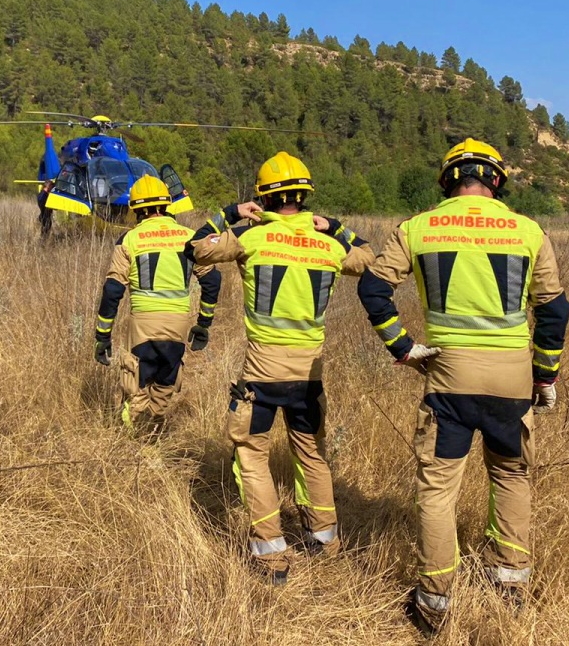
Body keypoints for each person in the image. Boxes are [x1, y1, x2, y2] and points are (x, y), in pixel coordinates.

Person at [357, 139, 569, 633]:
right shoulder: (528, 230)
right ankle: (511, 585)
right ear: (496, 180)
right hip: (512, 383)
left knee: (437, 491)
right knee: (513, 478)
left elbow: (373, 288)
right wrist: (545, 375)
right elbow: (554, 311)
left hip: (448, 382)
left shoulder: (417, 228)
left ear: (448, 181)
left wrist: (403, 348)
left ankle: (434, 600)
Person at [186, 152, 374, 585]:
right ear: (305, 197)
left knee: (252, 456)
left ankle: (272, 556)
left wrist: (231, 214)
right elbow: (367, 256)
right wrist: (334, 226)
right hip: (310, 375)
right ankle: (325, 540)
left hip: (262, 375)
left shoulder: (251, 239)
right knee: (311, 454)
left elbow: (197, 246)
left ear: (263, 199)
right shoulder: (329, 246)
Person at [95, 175, 222, 434]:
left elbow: (113, 290)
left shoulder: (129, 239)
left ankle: (132, 440)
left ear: (137, 209)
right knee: (166, 382)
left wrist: (103, 335)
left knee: (137, 384)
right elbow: (212, 280)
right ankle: (153, 431)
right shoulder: (189, 237)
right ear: (167, 204)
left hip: (143, 324)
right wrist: (203, 324)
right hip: (177, 324)